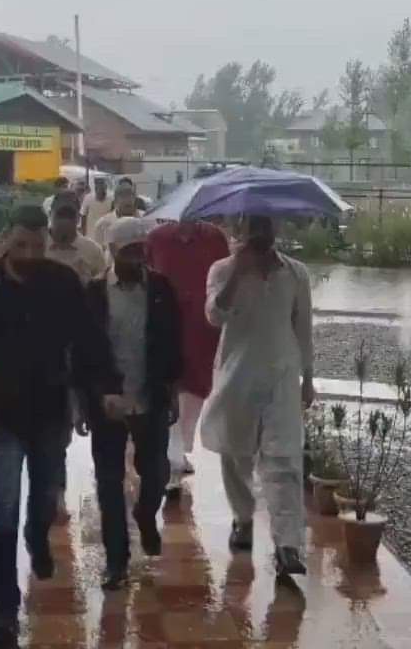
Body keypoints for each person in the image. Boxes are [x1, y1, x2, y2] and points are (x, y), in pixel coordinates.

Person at [0, 205, 124, 646]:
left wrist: (104, 387)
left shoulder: (62, 282)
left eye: (37, 246)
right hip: (0, 412)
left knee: (46, 495)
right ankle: (5, 609)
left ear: (47, 243)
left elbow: (87, 338)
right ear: (6, 239)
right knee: (3, 504)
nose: (28, 254)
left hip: (49, 409)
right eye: (20, 244)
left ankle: (38, 536)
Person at [201, 214, 315, 578]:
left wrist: (308, 378)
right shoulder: (222, 269)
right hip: (237, 375)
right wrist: (239, 272)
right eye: (253, 227)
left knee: (284, 459)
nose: (260, 234)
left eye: (267, 226)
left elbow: (304, 326)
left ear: (276, 229)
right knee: (235, 453)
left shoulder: (296, 273)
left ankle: (288, 545)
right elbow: (214, 317)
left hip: (282, 375)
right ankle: (243, 517)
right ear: (240, 230)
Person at [83, 216, 183, 590]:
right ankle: (116, 561)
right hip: (108, 401)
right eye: (129, 252)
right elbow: (84, 351)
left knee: (155, 471)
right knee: (109, 481)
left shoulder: (160, 288)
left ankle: (145, 514)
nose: (138, 258)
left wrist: (173, 390)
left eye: (142, 251)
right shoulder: (93, 293)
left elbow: (173, 342)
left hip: (151, 396)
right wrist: (90, 397)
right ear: (111, 251)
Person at [145, 215, 232, 496]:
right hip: (164, 324)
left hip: (201, 327)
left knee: (195, 388)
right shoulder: (157, 238)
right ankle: (171, 458)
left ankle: (180, 450)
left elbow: (225, 278)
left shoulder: (215, 238)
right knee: (169, 386)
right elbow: (146, 277)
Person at [43, 191, 106, 524]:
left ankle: (57, 494)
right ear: (51, 219)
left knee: (65, 429)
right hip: (40, 352)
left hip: (78, 352)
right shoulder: (36, 249)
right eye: (59, 219)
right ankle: (53, 495)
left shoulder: (91, 252)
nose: (64, 226)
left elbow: (103, 295)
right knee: (49, 430)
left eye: (70, 219)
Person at [45, 191, 105, 284]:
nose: (65, 221)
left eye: (70, 215)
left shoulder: (93, 250)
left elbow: (102, 287)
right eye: (60, 215)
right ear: (50, 214)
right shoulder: (36, 246)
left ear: (78, 218)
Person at [91, 184, 142, 250]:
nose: (128, 199)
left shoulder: (144, 219)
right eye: (123, 196)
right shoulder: (103, 224)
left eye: (131, 196)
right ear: (115, 201)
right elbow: (98, 252)